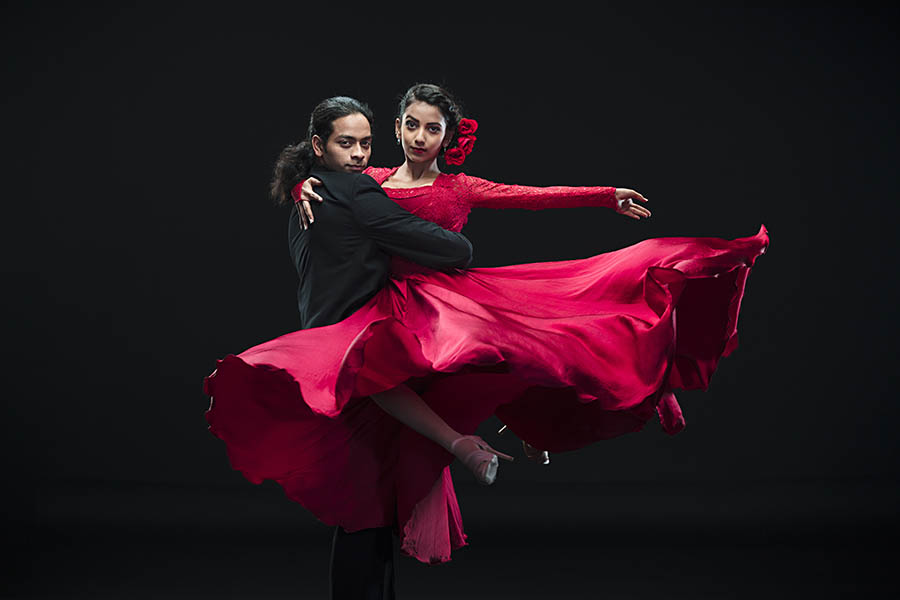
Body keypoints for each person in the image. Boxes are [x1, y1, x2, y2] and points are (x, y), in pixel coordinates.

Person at [205, 83, 768, 570]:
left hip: (447, 296)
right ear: (397, 126)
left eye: (432, 129)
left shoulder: (459, 187)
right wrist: (304, 183)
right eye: (410, 125)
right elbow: (329, 177)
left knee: (535, 338)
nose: (419, 137)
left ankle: (556, 415)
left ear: (448, 138)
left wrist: (602, 197)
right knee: (403, 385)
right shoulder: (369, 176)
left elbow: (533, 199)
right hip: (389, 304)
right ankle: (482, 442)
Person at [207, 95, 476, 599]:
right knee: (366, 510)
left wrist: (296, 179)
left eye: (366, 144)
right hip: (356, 357)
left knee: (366, 509)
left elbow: (307, 184)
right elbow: (452, 250)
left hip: (323, 359)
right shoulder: (355, 191)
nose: (357, 154)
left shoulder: (310, 192)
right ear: (319, 145)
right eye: (346, 143)